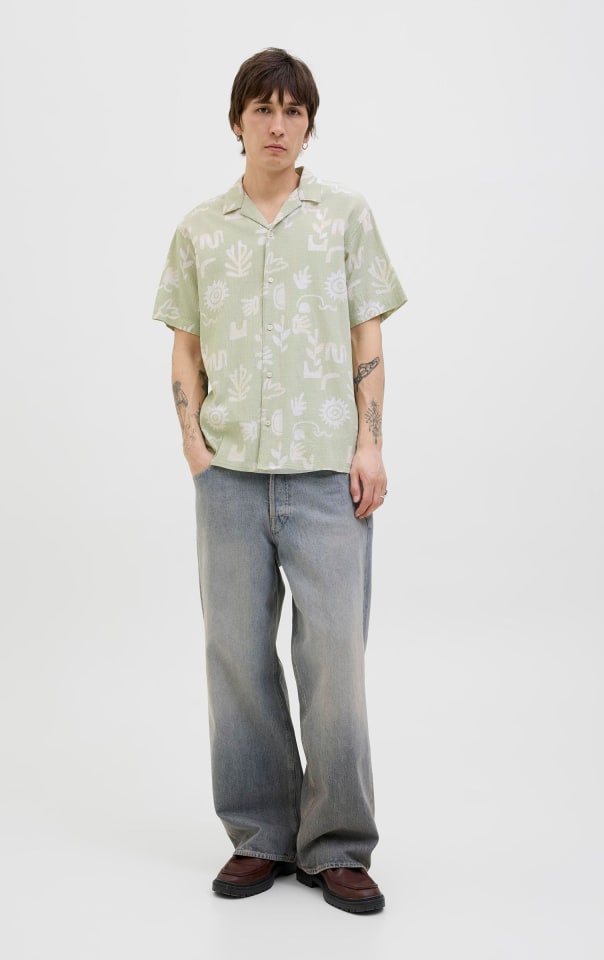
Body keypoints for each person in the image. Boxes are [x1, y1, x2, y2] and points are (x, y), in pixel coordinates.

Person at [153, 47, 407, 914]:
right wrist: (194, 443)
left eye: (292, 110)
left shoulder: (345, 218)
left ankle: (337, 845)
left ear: (308, 125)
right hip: (227, 477)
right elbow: (184, 343)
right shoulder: (200, 228)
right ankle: (259, 835)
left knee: (334, 660)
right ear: (237, 121)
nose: (276, 124)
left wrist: (370, 446)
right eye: (261, 109)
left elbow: (368, 336)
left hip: (326, 474)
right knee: (235, 657)